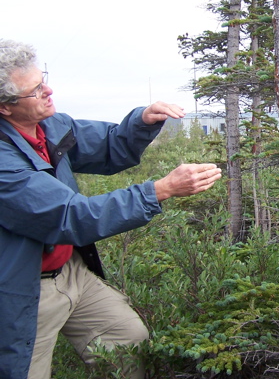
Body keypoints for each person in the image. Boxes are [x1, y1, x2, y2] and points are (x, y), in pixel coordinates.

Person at [0, 39, 223, 379]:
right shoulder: (4, 162)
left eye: (43, 78)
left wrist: (143, 121)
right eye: (35, 89)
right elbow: (70, 217)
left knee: (126, 341)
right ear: (5, 106)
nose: (48, 90)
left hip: (69, 270)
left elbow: (110, 145)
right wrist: (161, 190)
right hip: (21, 287)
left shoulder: (51, 126)